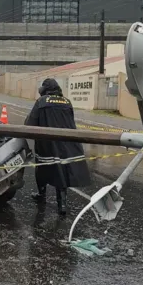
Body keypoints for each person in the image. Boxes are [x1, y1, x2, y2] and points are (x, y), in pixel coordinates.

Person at [25, 78, 91, 215]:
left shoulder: (42, 102)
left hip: (46, 143)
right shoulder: (67, 102)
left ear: (44, 89)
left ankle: (41, 195)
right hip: (67, 142)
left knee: (42, 168)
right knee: (62, 170)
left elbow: (29, 124)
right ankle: (62, 204)